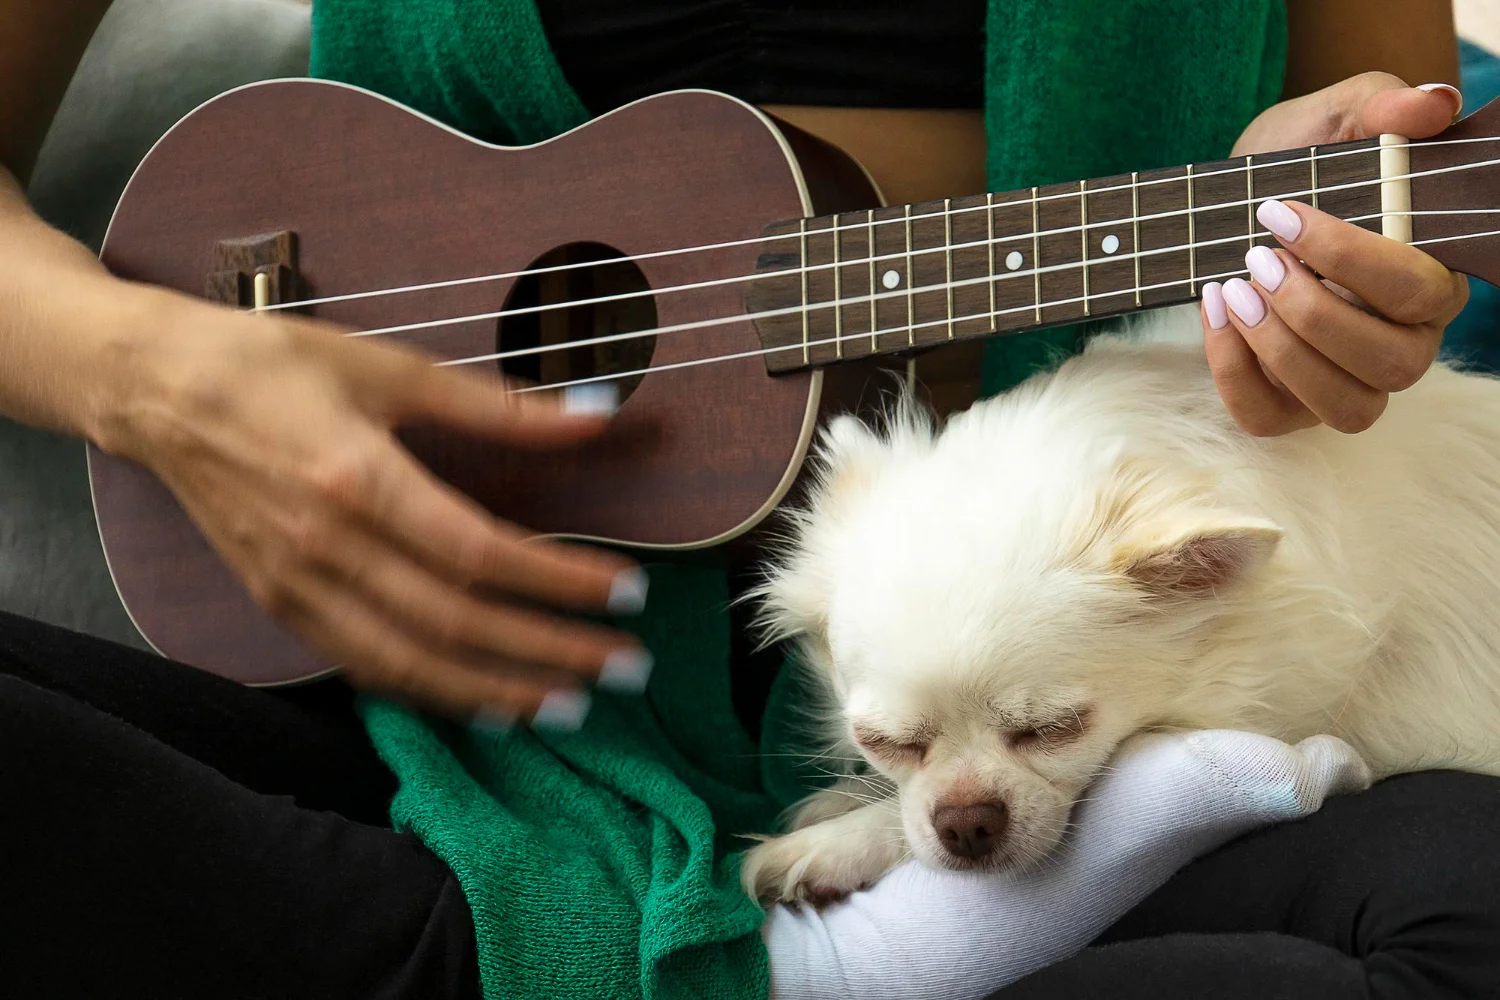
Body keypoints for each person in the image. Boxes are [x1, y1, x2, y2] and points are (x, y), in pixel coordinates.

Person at [2, 1, 1498, 997]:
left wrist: (1306, 237)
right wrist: (156, 379)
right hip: (461, 699)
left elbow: (1381, 163)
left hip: (1118, 660)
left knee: (1464, 915)